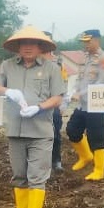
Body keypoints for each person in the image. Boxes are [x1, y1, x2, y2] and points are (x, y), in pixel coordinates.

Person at [0, 26, 64, 208]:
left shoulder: (51, 68)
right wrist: (8, 91)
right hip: (15, 129)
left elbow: (58, 97)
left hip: (40, 130)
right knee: (19, 175)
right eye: (24, 44)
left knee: (37, 176)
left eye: (32, 43)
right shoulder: (7, 66)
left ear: (40, 47)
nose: (28, 47)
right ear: (18, 47)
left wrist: (39, 107)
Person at [66, 29, 104, 181]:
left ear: (97, 40)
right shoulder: (84, 58)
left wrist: (82, 93)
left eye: (88, 41)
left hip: (96, 104)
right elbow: (80, 78)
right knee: (72, 130)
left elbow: (102, 83)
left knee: (96, 137)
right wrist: (74, 90)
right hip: (82, 104)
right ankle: (85, 156)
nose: (85, 44)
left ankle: (99, 170)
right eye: (84, 42)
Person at [41, 31, 68, 172]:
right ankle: (40, 163)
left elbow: (64, 83)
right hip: (37, 104)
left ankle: (56, 160)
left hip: (55, 104)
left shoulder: (58, 62)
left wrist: (64, 103)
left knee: (55, 134)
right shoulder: (34, 60)